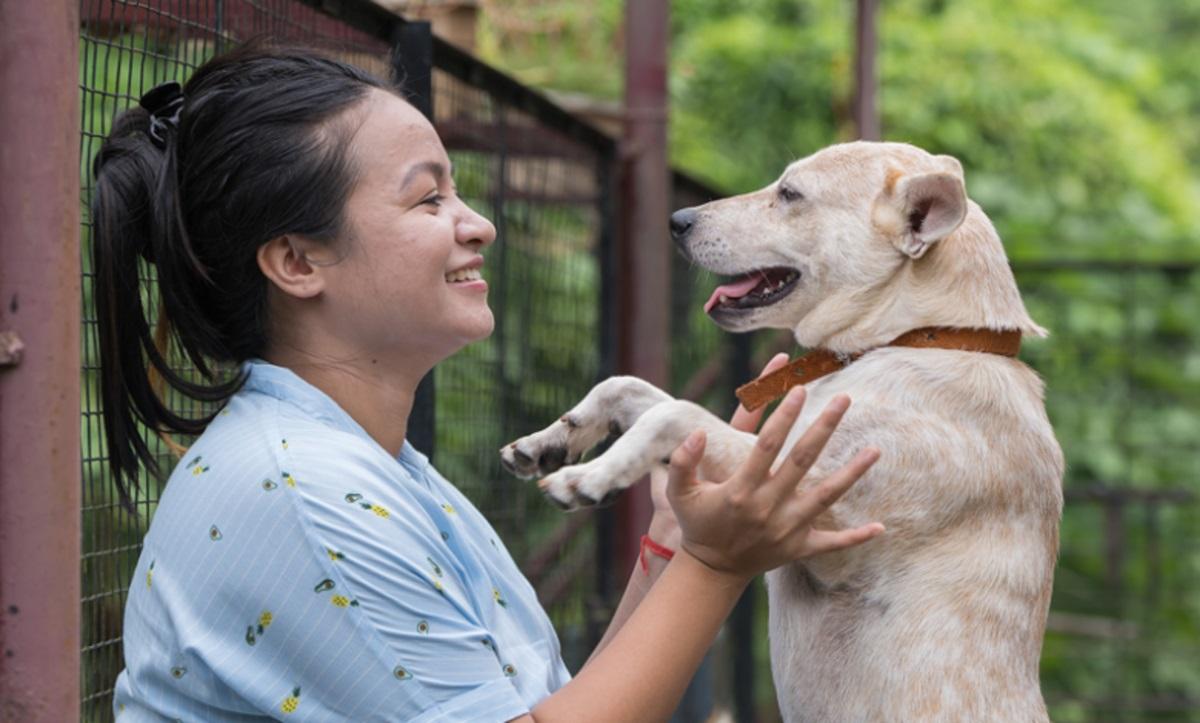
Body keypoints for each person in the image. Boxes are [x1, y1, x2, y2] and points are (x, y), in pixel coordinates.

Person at [92, 44, 884, 722]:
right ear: (298, 262)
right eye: (428, 196)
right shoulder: (305, 489)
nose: (478, 222)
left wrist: (675, 546)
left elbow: (551, 708)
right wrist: (717, 566)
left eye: (457, 190)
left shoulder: (374, 466)